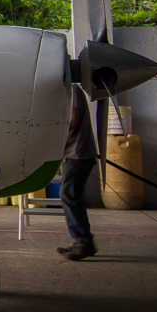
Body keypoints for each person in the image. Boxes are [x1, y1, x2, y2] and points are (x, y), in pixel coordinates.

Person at [59, 85, 98, 260]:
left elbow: (73, 120)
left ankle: (83, 243)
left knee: (69, 194)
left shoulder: (71, 89)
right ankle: (81, 241)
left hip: (78, 152)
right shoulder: (65, 90)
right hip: (71, 153)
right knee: (73, 195)